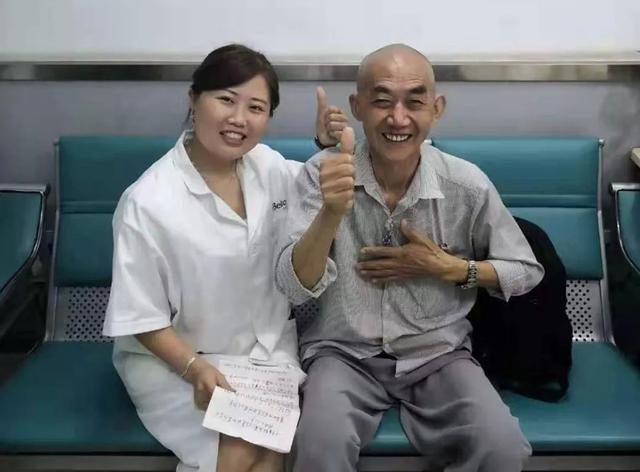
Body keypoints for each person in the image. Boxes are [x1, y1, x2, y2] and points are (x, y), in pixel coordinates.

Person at [276, 44, 545, 472]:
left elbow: (525, 271)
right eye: (382, 101)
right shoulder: (322, 172)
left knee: (502, 447)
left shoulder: (466, 184)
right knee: (316, 447)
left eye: (414, 102)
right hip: (342, 353)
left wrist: (452, 269)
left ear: (436, 109)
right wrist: (331, 213)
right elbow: (293, 286)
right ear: (357, 107)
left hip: (439, 354)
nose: (398, 118)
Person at [102, 44, 345, 472]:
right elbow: (141, 318)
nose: (239, 119)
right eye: (226, 100)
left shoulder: (268, 166)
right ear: (193, 100)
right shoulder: (148, 201)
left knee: (271, 450)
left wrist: (325, 146)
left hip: (265, 356)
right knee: (235, 452)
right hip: (177, 361)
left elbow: (316, 189)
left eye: (256, 107)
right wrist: (194, 368)